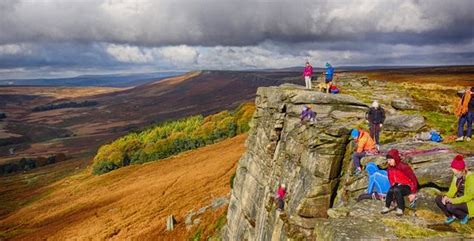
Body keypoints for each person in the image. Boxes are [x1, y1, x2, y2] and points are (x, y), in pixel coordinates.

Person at [435, 155, 472, 225]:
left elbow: (469, 196)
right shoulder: (456, 176)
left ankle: (464, 216)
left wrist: (453, 200)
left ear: (461, 170)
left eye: (455, 172)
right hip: (458, 199)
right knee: (438, 199)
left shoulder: (470, 178)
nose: (454, 174)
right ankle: (451, 216)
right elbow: (452, 191)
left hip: (468, 202)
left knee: (450, 206)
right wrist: (446, 196)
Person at [381, 149, 418, 216]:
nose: (388, 162)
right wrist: (393, 184)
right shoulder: (390, 168)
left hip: (407, 186)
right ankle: (387, 206)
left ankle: (400, 208)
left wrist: (413, 193)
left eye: (390, 160)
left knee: (396, 190)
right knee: (391, 190)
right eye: (388, 160)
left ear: (395, 158)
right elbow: (390, 178)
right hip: (398, 185)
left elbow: (413, 179)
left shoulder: (404, 167)